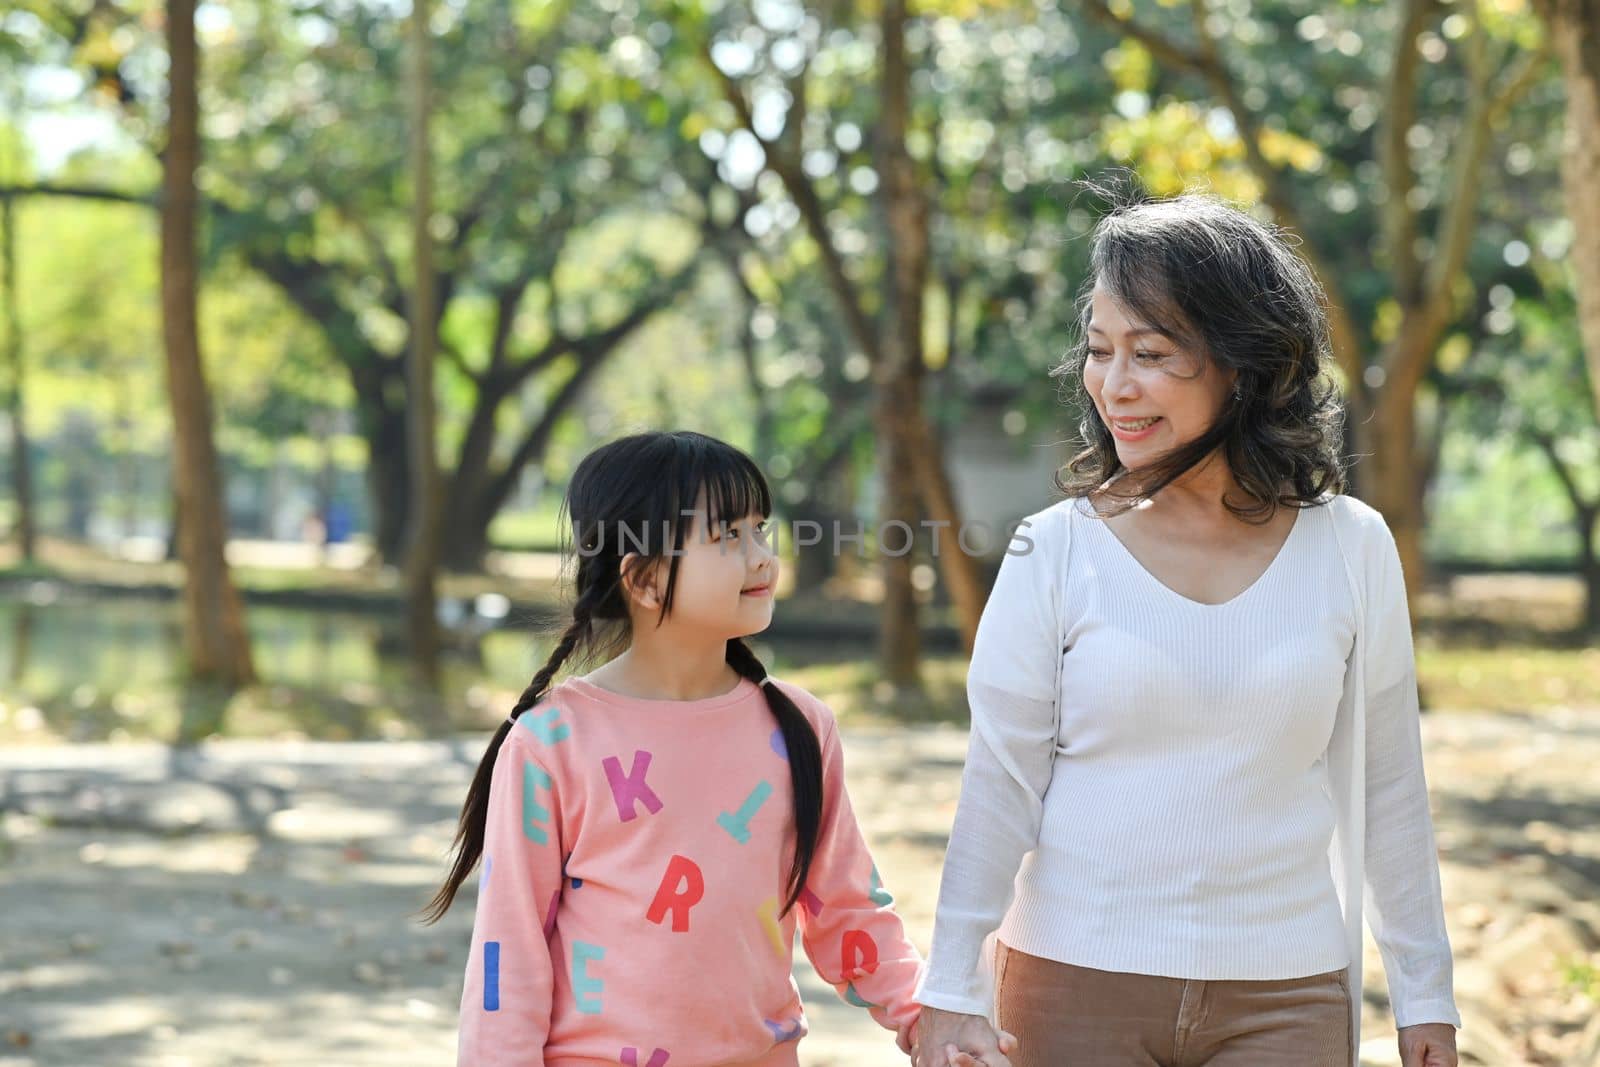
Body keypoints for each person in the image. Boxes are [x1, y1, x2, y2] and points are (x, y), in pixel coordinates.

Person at [913, 192, 1460, 1067]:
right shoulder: (1052, 552)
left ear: (1240, 363)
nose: (1113, 384)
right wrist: (949, 989)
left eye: (1152, 353)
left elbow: (1386, 787)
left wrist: (1426, 994)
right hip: (1072, 983)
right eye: (1099, 352)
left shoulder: (1352, 546)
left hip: (1288, 992)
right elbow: (999, 785)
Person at [424, 431, 967, 1066]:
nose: (762, 557)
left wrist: (927, 1019)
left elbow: (847, 911)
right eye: (727, 537)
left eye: (761, 529)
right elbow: (507, 957)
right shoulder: (552, 742)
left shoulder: (798, 727)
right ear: (645, 579)